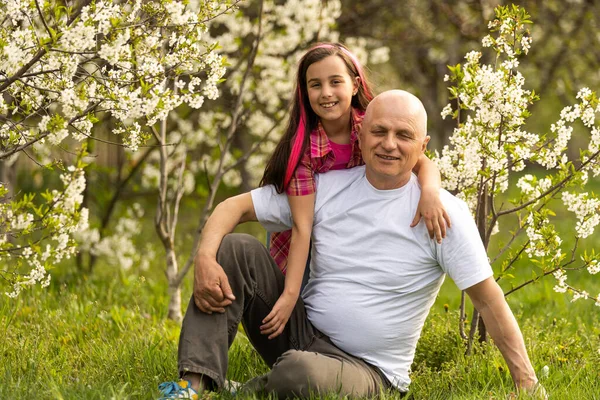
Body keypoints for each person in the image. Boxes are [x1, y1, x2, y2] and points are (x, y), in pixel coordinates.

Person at [159, 90, 544, 399]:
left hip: (369, 370)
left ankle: (248, 390)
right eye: (379, 132)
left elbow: (488, 300)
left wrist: (527, 382)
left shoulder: (440, 213)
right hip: (298, 333)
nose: (389, 144)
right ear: (361, 133)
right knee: (236, 250)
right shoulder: (329, 187)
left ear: (422, 144)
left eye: (404, 135)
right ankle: (192, 386)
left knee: (299, 374)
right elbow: (235, 207)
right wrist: (205, 258)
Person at [259, 43, 450, 341]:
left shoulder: (374, 128)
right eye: (315, 85)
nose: (326, 93)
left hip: (349, 229)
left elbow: (423, 162)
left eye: (336, 82)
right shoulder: (303, 151)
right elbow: (302, 226)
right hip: (302, 235)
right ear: (304, 92)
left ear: (355, 84)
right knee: (303, 301)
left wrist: (430, 192)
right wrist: (290, 293)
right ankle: (304, 353)